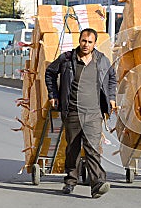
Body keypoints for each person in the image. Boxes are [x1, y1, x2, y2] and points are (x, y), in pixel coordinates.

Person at [45, 28, 117, 198]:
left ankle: (97, 183)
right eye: (84, 41)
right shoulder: (67, 59)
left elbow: (112, 77)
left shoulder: (102, 60)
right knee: (73, 148)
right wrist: (53, 95)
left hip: (93, 112)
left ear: (94, 44)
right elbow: (49, 72)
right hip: (72, 111)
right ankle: (70, 180)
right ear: (79, 40)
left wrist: (111, 97)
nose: (86, 44)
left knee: (92, 148)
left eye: (90, 42)